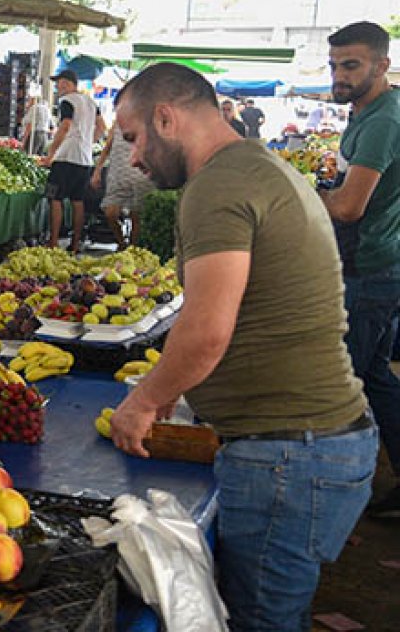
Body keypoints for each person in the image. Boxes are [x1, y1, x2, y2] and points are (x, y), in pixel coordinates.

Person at [108, 62, 376, 632]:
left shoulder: (219, 186)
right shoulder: (256, 166)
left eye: (133, 139)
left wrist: (142, 402)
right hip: (313, 446)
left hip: (287, 454)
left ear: (165, 118)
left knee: (262, 621)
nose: (133, 158)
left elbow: (206, 332)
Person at [316, 21, 400, 520]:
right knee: (374, 374)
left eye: (351, 65)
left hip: (369, 270)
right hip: (378, 265)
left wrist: (307, 195)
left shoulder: (384, 121)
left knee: (343, 381)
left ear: (381, 65)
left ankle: (336, 490)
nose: (339, 75)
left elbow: (348, 207)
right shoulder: (369, 114)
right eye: (334, 65)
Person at [41, 69, 105, 253]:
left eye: (60, 84)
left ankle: (53, 242)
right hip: (84, 159)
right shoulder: (91, 102)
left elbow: (65, 125)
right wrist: (87, 141)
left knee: (55, 198)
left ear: (68, 84)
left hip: (66, 157)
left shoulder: (67, 101)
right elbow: (101, 127)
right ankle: (75, 244)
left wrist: (51, 153)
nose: (58, 87)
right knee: (78, 201)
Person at [90, 101, 155, 249]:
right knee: (110, 213)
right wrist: (97, 170)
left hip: (139, 173)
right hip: (117, 173)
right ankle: (121, 242)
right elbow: (107, 147)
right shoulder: (118, 124)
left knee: (136, 216)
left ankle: (132, 250)